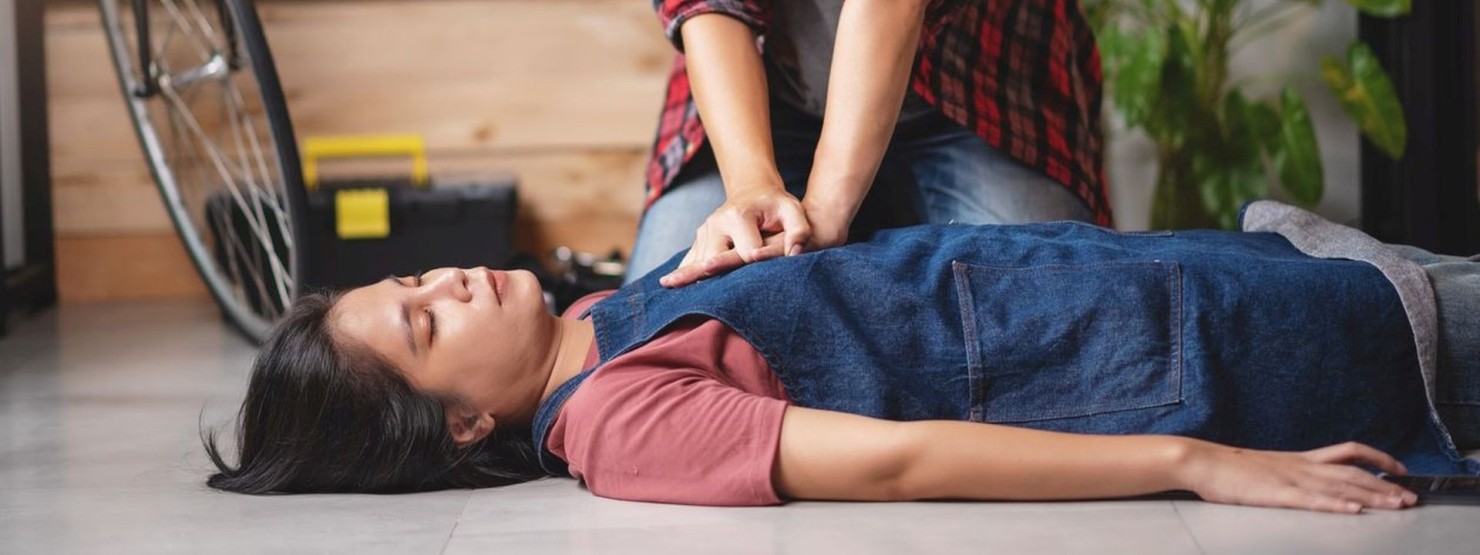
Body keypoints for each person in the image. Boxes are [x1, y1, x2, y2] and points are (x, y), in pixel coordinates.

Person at [204, 202, 1480, 513]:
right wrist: (1193, 464)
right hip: (1211, 354)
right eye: (426, 322)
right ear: (461, 429)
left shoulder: (604, 313)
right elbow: (889, 461)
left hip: (1192, 274)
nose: (449, 280)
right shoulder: (611, 423)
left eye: (414, 279)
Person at [629, 0, 1109, 286]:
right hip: (770, 98)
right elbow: (707, 6)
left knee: (1056, 300)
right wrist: (750, 187)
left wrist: (825, 208)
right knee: (657, 321)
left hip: (981, 90)